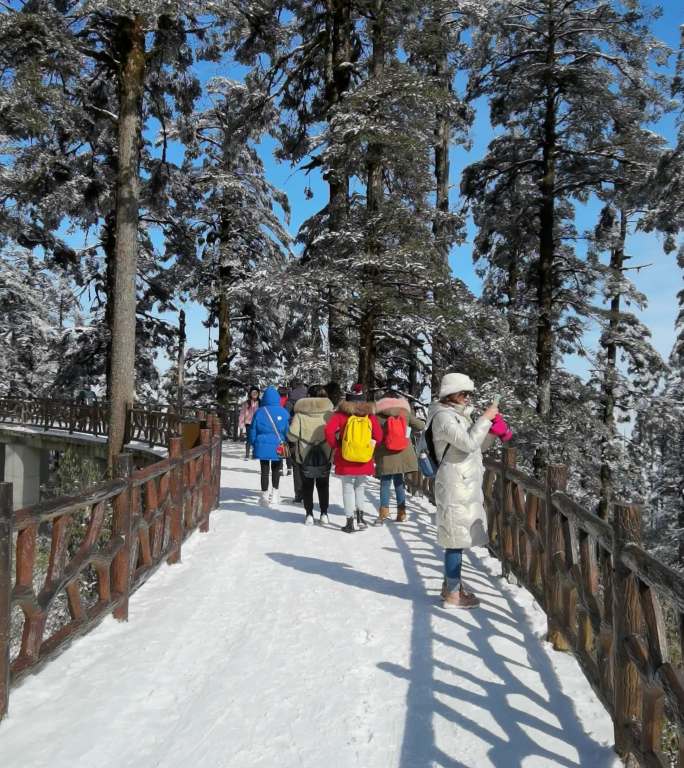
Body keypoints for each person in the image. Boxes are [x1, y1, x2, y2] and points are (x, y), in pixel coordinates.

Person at [427, 372, 498, 609]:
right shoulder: (443, 417)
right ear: (451, 394)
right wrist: (485, 418)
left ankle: (451, 586)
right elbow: (466, 443)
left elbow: (474, 447)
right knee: (455, 540)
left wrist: (492, 430)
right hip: (454, 484)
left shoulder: (456, 416)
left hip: (461, 483)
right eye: (464, 393)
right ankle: (454, 594)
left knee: (456, 537)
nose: (468, 398)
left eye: (469, 394)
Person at [324, 384, 383, 533]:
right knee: (360, 488)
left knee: (348, 489)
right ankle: (361, 519)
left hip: (346, 458)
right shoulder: (370, 416)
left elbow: (328, 431)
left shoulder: (341, 415)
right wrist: (368, 447)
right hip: (364, 458)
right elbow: (379, 437)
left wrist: (336, 445)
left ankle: (349, 522)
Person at [373, 393, 425, 524]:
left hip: (385, 454)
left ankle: (383, 514)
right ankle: (401, 513)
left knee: (385, 484)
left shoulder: (378, 415)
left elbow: (374, 433)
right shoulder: (404, 413)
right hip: (402, 452)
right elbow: (420, 426)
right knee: (399, 483)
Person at [288, 386, 333, 525]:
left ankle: (309, 514)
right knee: (323, 485)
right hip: (325, 456)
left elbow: (292, 437)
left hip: (304, 455)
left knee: (307, 486)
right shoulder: (330, 414)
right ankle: (324, 513)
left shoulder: (300, 415)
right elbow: (336, 435)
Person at [249, 385, 291, 506]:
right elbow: (287, 430)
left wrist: (253, 442)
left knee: (264, 470)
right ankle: (275, 494)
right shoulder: (284, 412)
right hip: (279, 444)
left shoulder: (259, 412)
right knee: (276, 469)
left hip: (262, 444)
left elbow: (253, 429)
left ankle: (264, 496)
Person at [238, 387, 260, 460]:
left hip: (258, 423)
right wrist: (241, 425)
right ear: (250, 394)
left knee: (256, 439)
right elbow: (242, 414)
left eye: (256, 393)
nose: (254, 394)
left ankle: (255, 453)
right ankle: (247, 455)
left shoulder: (261, 402)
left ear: (258, 394)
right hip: (249, 423)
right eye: (253, 393)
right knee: (249, 438)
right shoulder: (246, 403)